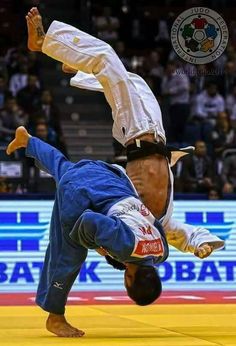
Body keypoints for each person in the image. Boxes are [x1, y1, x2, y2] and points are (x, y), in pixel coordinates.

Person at [7, 126, 224, 337]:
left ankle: (28, 141)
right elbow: (90, 221)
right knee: (70, 251)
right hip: (82, 189)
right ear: (128, 280)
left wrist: (198, 243)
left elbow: (162, 225)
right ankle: (55, 317)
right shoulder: (126, 246)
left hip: (108, 175)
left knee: (63, 168)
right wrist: (94, 246)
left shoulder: (161, 251)